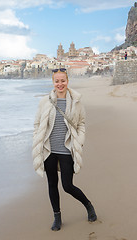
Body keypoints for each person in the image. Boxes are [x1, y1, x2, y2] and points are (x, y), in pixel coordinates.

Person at [32, 68, 97, 231]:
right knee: (52, 184)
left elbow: (81, 123)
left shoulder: (76, 101)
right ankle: (57, 217)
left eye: (63, 80)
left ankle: (88, 205)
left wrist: (80, 140)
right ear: (52, 82)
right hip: (49, 149)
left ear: (68, 81)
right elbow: (37, 124)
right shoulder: (45, 102)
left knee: (67, 186)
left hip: (66, 149)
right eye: (57, 81)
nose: (60, 84)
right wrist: (37, 141)